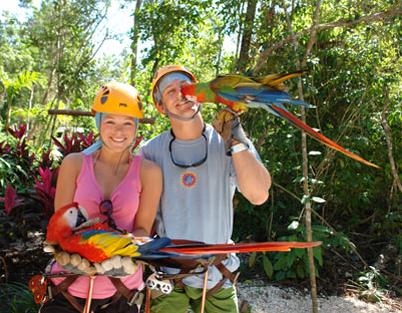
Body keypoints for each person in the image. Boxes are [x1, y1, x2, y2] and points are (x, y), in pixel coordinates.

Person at [141, 65, 271, 313]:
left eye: (185, 86)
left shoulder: (228, 139)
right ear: (160, 107)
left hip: (216, 273)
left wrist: (236, 142)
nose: (181, 94)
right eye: (170, 91)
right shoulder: (150, 152)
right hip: (168, 274)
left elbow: (258, 195)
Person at [40, 82, 162, 313]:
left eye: (127, 123)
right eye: (110, 122)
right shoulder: (74, 164)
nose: (119, 131)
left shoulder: (149, 172)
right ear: (99, 124)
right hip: (69, 286)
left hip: (121, 291)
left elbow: (143, 229)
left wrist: (120, 253)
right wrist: (79, 253)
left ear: (136, 128)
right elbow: (60, 225)